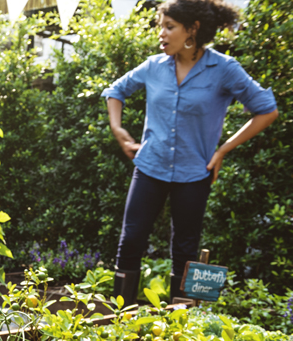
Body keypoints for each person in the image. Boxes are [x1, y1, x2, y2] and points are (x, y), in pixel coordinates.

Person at [102, 0, 278, 304]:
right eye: (161, 26)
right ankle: (119, 320)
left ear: (192, 30)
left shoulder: (224, 69)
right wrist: (119, 131)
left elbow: (266, 110)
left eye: (169, 27)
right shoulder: (154, 66)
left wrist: (222, 150)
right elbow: (115, 91)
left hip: (195, 173)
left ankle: (179, 327)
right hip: (149, 167)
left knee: (185, 249)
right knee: (131, 240)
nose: (162, 34)